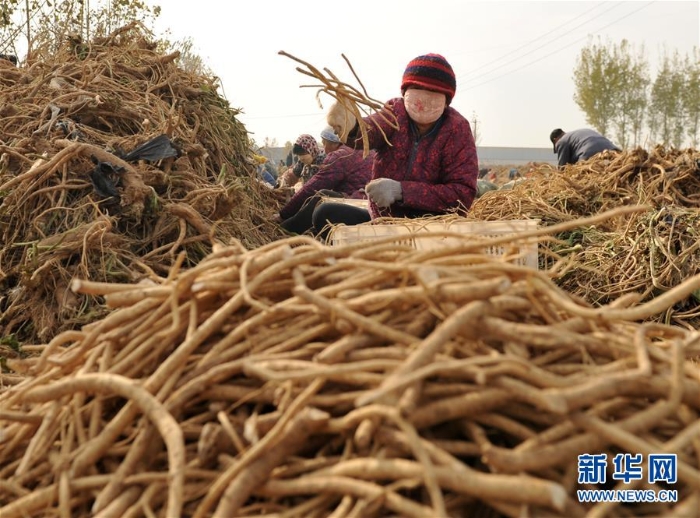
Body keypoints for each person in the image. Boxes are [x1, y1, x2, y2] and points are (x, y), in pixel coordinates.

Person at [315, 53, 478, 239]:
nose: (422, 102)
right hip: (384, 223)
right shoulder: (395, 113)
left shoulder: (457, 129)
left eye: (432, 95)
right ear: (405, 92)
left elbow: (462, 194)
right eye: (416, 91)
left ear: (446, 99)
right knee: (324, 213)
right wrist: (353, 128)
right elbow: (374, 129)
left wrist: (402, 191)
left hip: (432, 231)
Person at [273, 126, 374, 235]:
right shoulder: (360, 149)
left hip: (356, 202)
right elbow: (294, 175)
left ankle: (285, 230)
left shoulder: (339, 156)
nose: (324, 149)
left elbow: (312, 187)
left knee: (321, 195)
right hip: (369, 201)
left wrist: (284, 213)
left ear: (334, 143)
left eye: (325, 143)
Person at [550, 128, 621, 167]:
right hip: (612, 149)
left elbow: (562, 167)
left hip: (589, 153)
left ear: (555, 139)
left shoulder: (561, 141)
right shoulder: (579, 133)